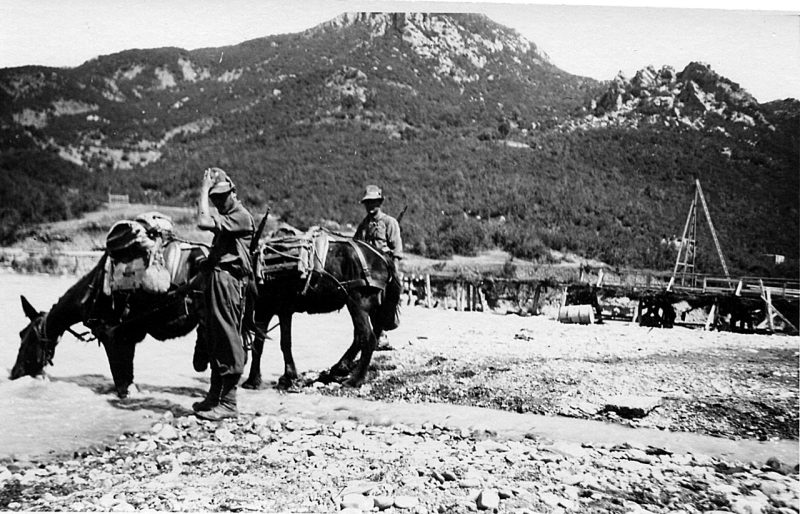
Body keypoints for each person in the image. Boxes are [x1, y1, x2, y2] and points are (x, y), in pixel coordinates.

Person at [193, 167, 254, 421]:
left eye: (221, 196)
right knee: (214, 335)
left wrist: (204, 190)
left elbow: (202, 221)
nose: (217, 202)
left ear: (234, 192)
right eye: (214, 198)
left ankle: (229, 403)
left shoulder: (240, 216)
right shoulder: (229, 216)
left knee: (227, 336)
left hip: (228, 282)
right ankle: (215, 395)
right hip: (218, 278)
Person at [354, 185, 403, 338]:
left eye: (373, 202)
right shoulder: (363, 225)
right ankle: (371, 335)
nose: (370, 206)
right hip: (367, 270)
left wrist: (394, 274)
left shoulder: (390, 222)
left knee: (385, 302)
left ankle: (380, 333)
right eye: (367, 203)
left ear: (380, 203)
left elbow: (397, 249)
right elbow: (356, 244)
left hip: (384, 269)